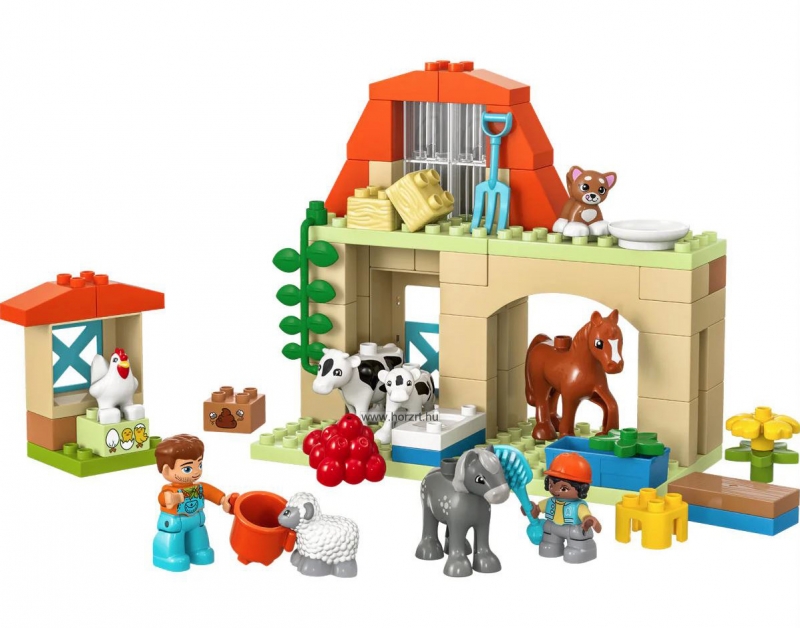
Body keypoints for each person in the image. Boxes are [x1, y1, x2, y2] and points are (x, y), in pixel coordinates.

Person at [152, 434, 231, 571]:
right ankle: (171, 555)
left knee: (198, 533)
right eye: (187, 469)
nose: (196, 472)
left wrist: (223, 500)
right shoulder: (169, 490)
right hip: (176, 522)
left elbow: (210, 492)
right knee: (173, 537)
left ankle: (198, 550)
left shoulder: (198, 487)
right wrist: (170, 498)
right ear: (167, 470)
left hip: (196, 520)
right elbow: (162, 498)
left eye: (199, 465)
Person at [531, 452, 601, 564]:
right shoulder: (550, 501)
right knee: (548, 540)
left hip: (572, 529)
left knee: (577, 537)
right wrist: (533, 509)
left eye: (563, 488)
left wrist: (588, 520)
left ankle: (581, 549)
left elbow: (585, 515)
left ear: (581, 489)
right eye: (551, 485)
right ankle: (552, 544)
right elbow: (537, 509)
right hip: (552, 528)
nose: (555, 490)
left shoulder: (578, 506)